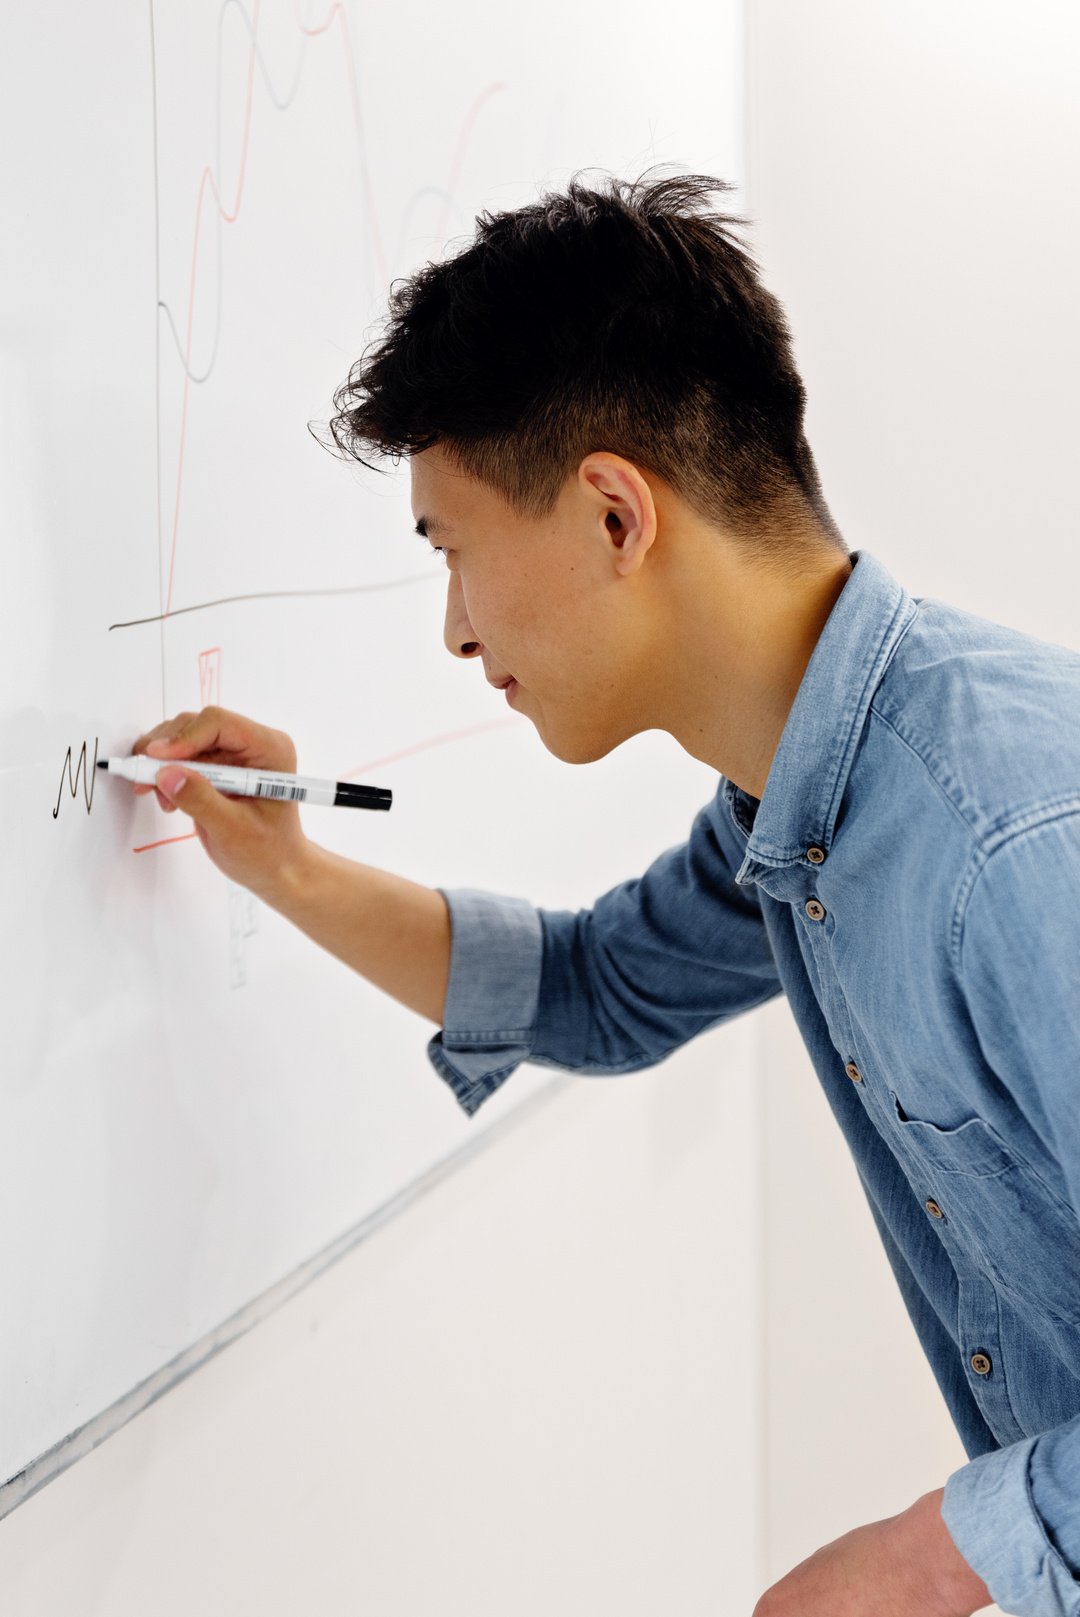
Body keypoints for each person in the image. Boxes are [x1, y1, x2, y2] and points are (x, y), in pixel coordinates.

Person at [131, 170, 1080, 1617]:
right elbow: (595, 986)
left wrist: (922, 1557)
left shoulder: (1007, 844)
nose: (455, 629)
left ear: (616, 516)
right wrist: (289, 865)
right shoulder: (810, 794)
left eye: (451, 551)